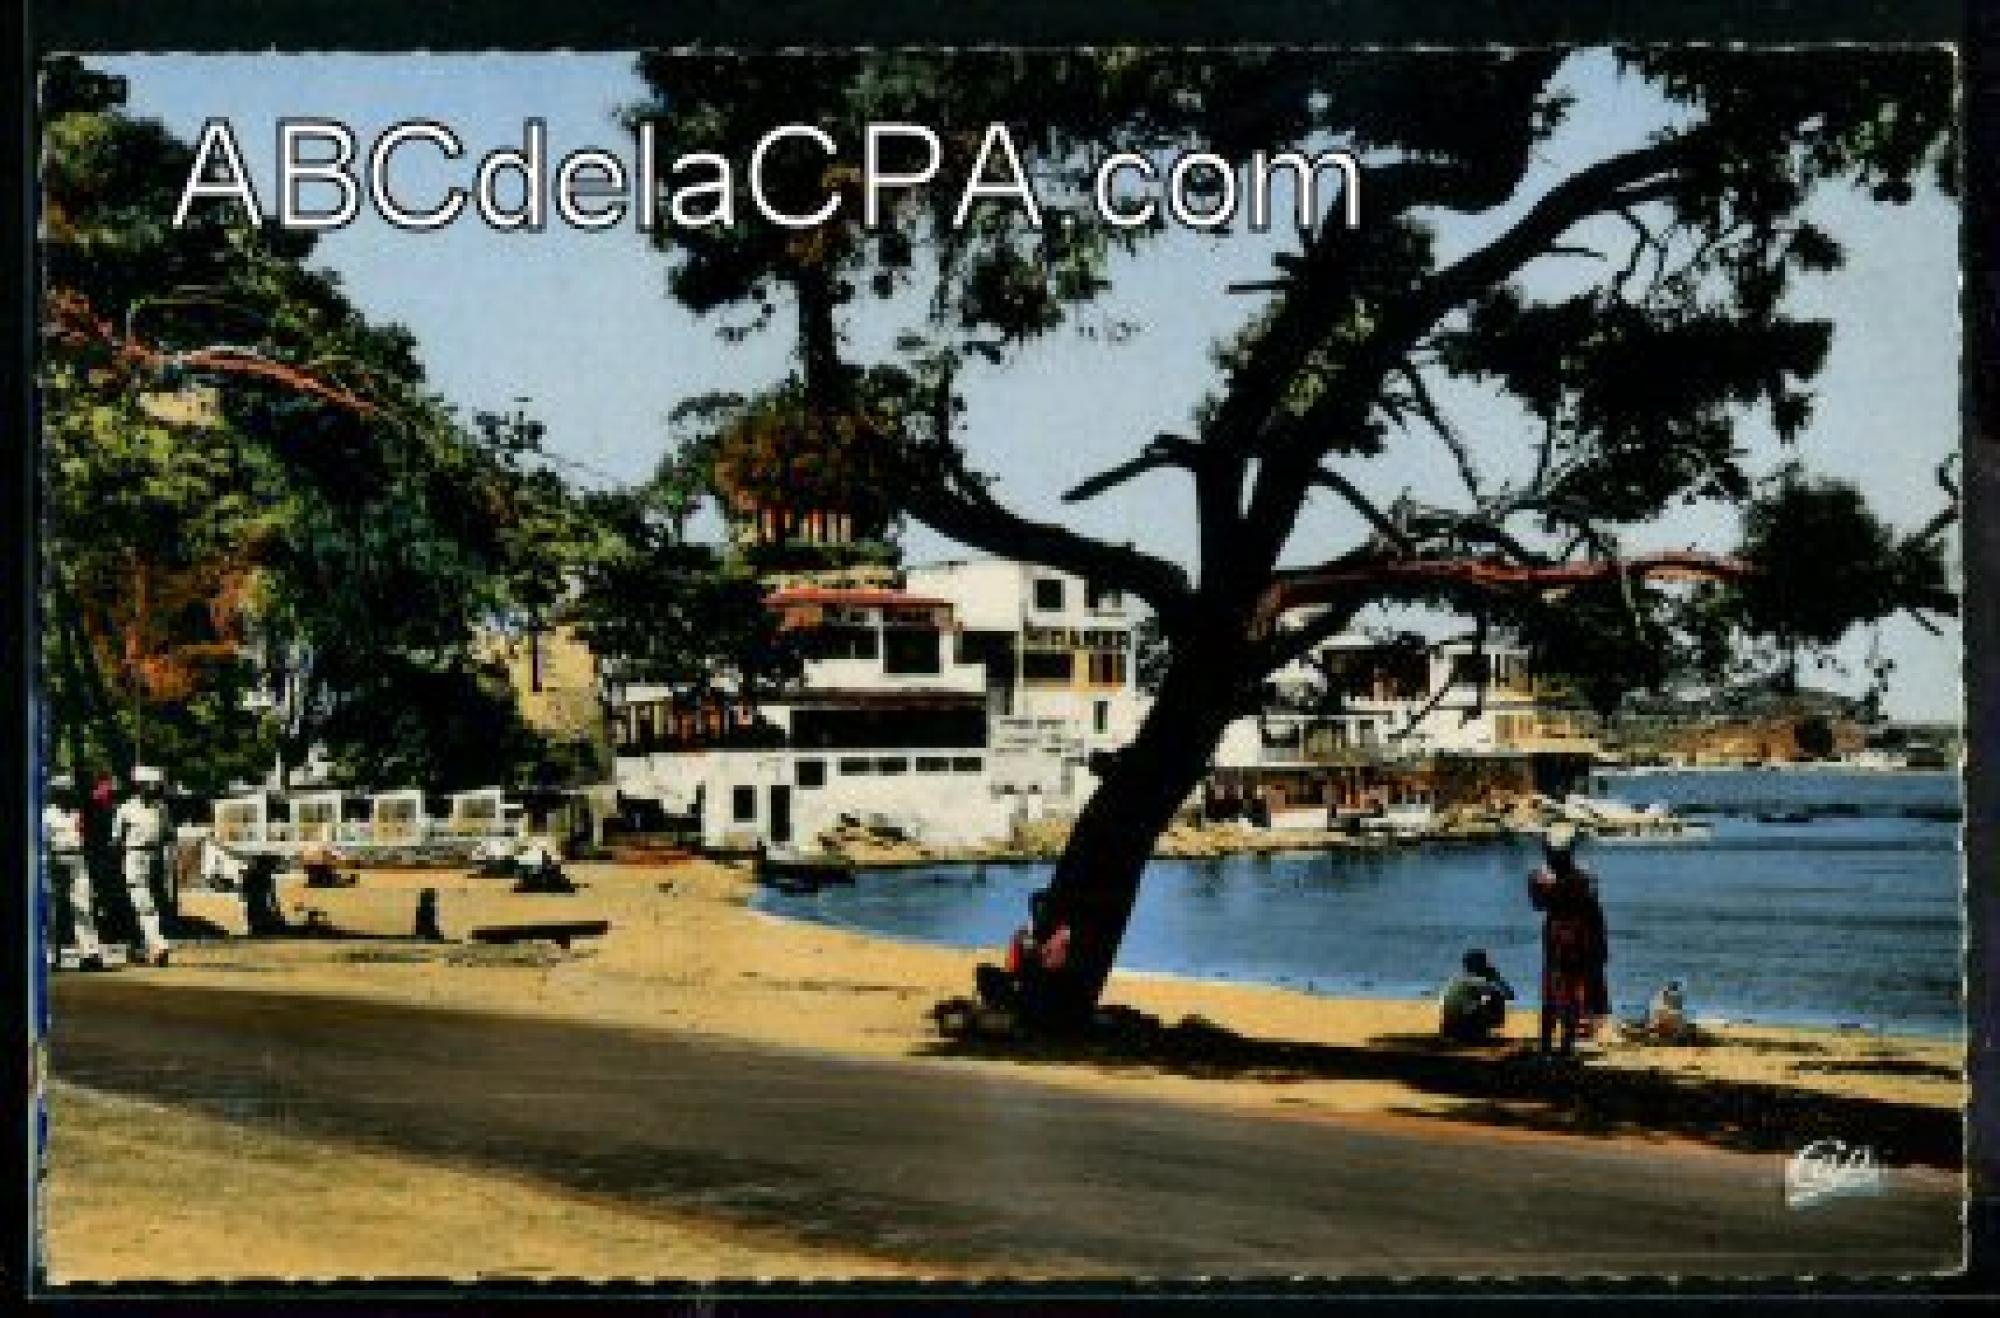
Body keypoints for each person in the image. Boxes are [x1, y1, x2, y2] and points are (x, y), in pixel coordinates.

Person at [1528, 823, 1608, 1055]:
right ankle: (1564, 1045)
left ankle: (1548, 1044)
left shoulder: (1542, 879)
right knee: (1571, 989)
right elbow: (1593, 907)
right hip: (1578, 935)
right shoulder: (1583, 878)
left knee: (1553, 989)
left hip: (1557, 934)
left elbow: (1538, 903)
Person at [111, 766, 172, 966]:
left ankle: (144, 947)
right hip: (134, 855)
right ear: (139, 787)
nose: (153, 789)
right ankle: (157, 945)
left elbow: (168, 834)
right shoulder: (126, 808)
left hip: (155, 856)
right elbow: (116, 839)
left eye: (156, 786)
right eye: (149, 786)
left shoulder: (161, 808)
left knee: (150, 903)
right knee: (142, 902)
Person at [43, 774, 105, 970]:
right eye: (62, 792)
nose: (67, 795)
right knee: (51, 909)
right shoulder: (46, 815)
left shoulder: (77, 813)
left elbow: (84, 838)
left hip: (77, 859)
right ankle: (50, 955)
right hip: (53, 861)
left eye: (69, 791)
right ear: (54, 793)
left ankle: (90, 954)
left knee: (83, 904)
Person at [1437, 948, 1514, 1043]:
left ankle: (1472, 1031)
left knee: (1477, 1001)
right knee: (1497, 996)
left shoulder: (1455, 980)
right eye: (1485, 962)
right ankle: (1477, 1032)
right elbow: (1510, 995)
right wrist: (1496, 977)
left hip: (1448, 1029)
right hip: (1464, 1030)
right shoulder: (1479, 982)